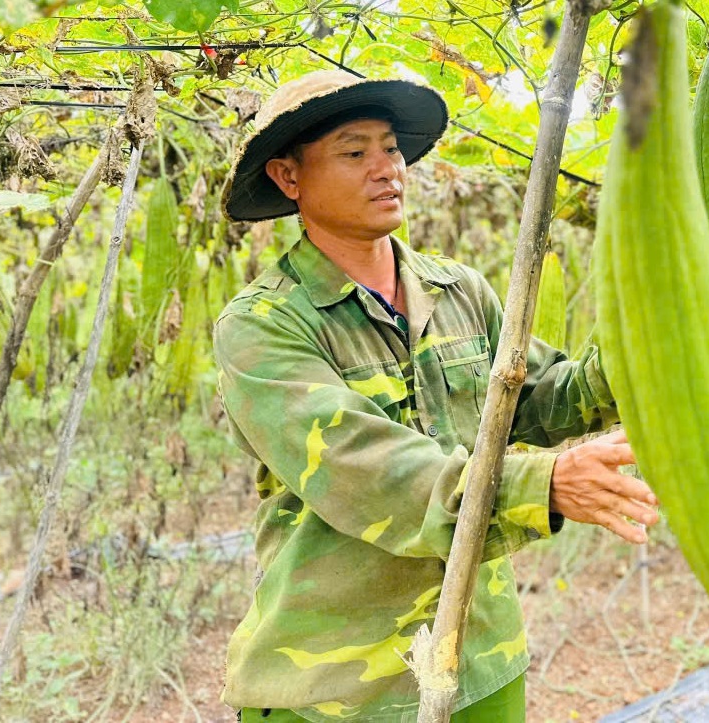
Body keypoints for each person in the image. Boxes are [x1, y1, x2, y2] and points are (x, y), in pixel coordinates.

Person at [214, 69, 659, 722]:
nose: (386, 168)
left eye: (391, 149)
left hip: (483, 656)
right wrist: (544, 485)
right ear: (288, 177)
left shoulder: (457, 290)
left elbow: (542, 399)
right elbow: (368, 471)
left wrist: (661, 339)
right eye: (354, 150)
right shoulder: (263, 325)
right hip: (340, 686)